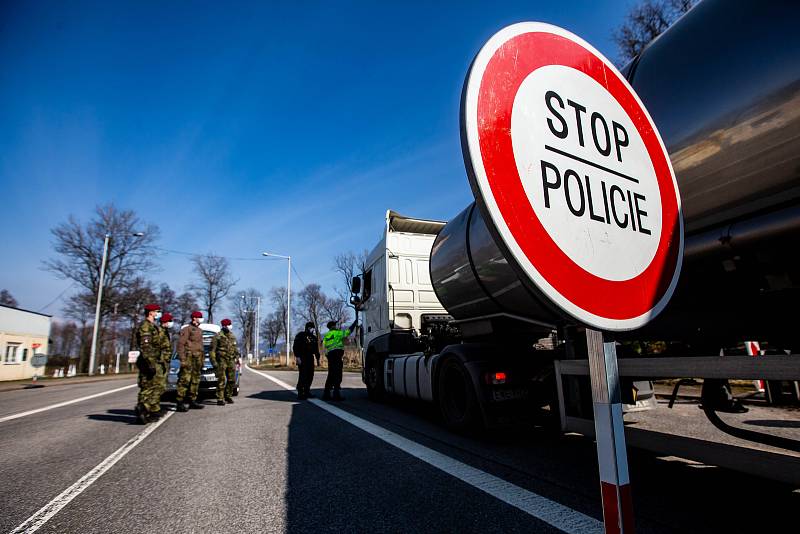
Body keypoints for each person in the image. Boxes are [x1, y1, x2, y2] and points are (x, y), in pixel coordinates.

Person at [135, 304, 163, 424]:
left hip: (154, 360)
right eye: (157, 311)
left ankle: (149, 411)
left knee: (154, 386)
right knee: (147, 387)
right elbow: (145, 346)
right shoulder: (145, 326)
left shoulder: (152, 326)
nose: (158, 313)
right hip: (148, 361)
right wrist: (150, 363)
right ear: (151, 312)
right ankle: (142, 409)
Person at [176, 311, 205, 412]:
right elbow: (180, 345)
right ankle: (179, 401)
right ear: (194, 318)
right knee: (185, 380)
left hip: (197, 359)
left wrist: (202, 360)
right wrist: (182, 359)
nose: (201, 319)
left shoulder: (200, 330)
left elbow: (201, 346)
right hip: (188, 358)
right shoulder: (186, 329)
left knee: (195, 380)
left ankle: (192, 400)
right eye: (199, 317)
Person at [322, 319, 357, 401]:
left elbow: (324, 347)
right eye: (335, 325)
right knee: (338, 374)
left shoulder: (326, 336)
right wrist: (355, 323)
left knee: (331, 374)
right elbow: (348, 332)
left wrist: (327, 355)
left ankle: (326, 394)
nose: (336, 326)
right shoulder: (337, 333)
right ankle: (336, 394)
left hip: (330, 356)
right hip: (337, 355)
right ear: (333, 326)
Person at [210, 318, 239, 406]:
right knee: (221, 380)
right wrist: (214, 362)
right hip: (221, 361)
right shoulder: (217, 336)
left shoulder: (232, 336)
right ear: (224, 326)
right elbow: (212, 351)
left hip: (231, 361)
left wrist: (237, 357)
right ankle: (220, 398)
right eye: (229, 324)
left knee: (232, 380)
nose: (230, 326)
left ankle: (228, 395)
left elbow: (235, 348)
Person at [293, 322, 320, 399]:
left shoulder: (314, 337)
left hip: (310, 358)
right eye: (312, 328)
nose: (313, 330)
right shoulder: (300, 335)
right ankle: (300, 392)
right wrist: (297, 357)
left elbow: (316, 349)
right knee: (303, 375)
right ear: (308, 328)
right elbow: (295, 347)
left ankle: (307, 391)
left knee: (310, 375)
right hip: (302, 357)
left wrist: (317, 358)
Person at [155, 312, 174, 412]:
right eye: (170, 321)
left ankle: (155, 407)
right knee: (158, 385)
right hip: (159, 362)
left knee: (161, 386)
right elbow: (156, 348)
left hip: (164, 363)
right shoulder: (159, 332)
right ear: (165, 322)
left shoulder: (165, 332)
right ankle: (151, 408)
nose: (171, 323)